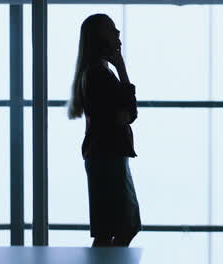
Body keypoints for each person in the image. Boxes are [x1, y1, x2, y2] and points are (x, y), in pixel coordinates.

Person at [67, 13, 141, 247]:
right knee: (121, 225)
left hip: (106, 155)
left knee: (111, 227)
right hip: (108, 156)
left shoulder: (97, 72)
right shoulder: (98, 74)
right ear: (99, 38)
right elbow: (126, 114)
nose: (117, 33)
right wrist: (122, 68)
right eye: (111, 29)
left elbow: (127, 114)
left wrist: (126, 113)